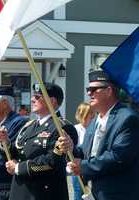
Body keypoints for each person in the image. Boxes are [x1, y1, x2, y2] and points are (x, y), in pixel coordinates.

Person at [57, 70, 139, 200]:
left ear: (109, 91)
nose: (89, 93)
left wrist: (82, 166)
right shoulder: (95, 120)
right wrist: (71, 148)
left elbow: (118, 157)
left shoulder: (128, 118)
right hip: (94, 193)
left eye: (94, 89)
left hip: (117, 195)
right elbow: (86, 152)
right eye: (88, 89)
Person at [0, 82, 78, 200]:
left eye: (37, 97)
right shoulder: (29, 125)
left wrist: (18, 168)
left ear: (52, 101)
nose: (32, 99)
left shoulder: (62, 128)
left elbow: (51, 162)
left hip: (43, 193)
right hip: (20, 192)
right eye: (33, 96)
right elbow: (16, 152)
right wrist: (5, 142)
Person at [72, 102, 95, 200]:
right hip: (79, 166)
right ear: (83, 114)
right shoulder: (75, 129)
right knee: (79, 192)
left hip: (92, 164)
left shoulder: (95, 128)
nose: (94, 116)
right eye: (91, 114)